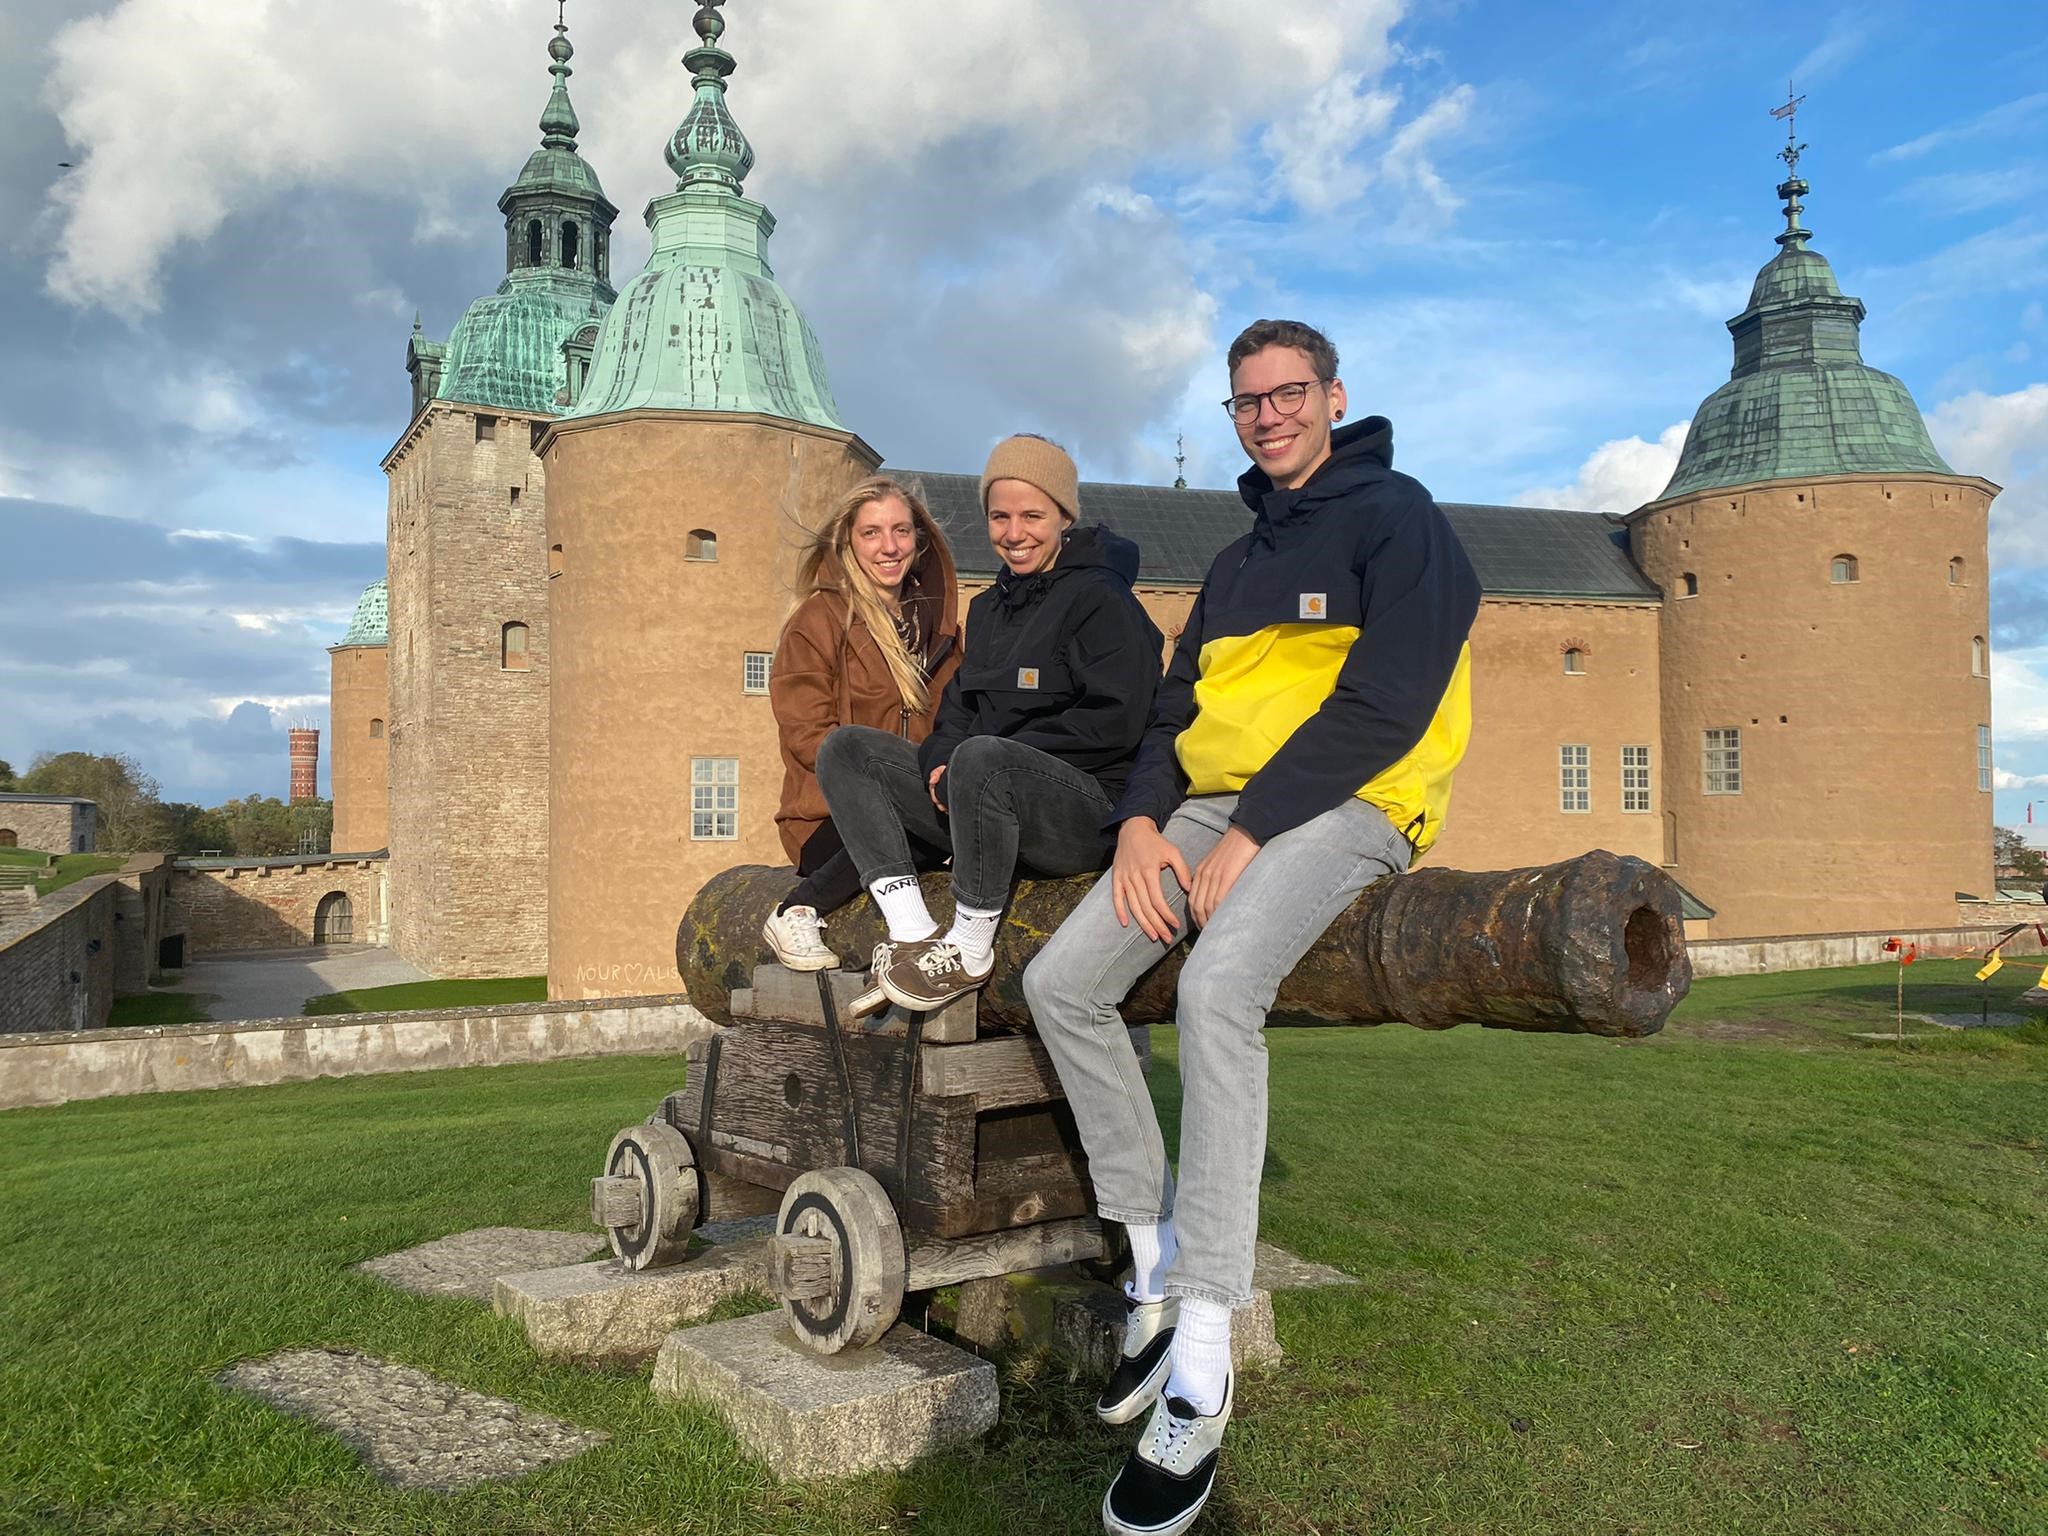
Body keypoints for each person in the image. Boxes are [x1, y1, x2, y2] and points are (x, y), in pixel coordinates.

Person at [1023, 320, 1481, 1536]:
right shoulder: (1232, 564)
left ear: (1332, 396)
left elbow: (1387, 702)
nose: (1267, 415)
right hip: (1210, 805)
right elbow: (1172, 715)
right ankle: (1151, 1260)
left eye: (1287, 394)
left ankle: (1203, 1353)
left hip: (1352, 799)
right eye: (1246, 401)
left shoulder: (1399, 521)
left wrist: (1252, 830)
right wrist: (1140, 823)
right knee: (1061, 984)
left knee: (1217, 989)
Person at [815, 434, 1162, 1008]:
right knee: (848, 749)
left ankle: (971, 949)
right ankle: (911, 930)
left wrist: (988, 761)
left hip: (1078, 815)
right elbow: (958, 710)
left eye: (1032, 516)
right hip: (984, 796)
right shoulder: (988, 608)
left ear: (1064, 517)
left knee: (982, 755)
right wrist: (941, 762)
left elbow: (1115, 722)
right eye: (1000, 517)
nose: (1014, 533)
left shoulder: (1102, 600)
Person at [761, 476, 961, 970]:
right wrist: (878, 787)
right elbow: (806, 733)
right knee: (915, 828)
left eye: (900, 531)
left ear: (919, 539)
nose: (889, 547)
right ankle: (795, 909)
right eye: (872, 533)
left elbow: (959, 722)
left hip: (916, 806)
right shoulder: (819, 620)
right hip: (828, 819)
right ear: (847, 541)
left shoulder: (940, 631)